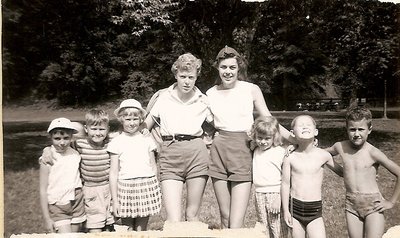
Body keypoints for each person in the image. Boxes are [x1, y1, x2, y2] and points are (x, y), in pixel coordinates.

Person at [206, 46, 293, 229]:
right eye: (223, 67)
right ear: (217, 68)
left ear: (239, 68)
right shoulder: (210, 93)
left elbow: (269, 119)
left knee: (236, 220)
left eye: (232, 67)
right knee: (225, 215)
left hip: (243, 149)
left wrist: (297, 140)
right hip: (219, 150)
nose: (228, 72)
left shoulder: (251, 89)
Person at [144, 53, 213, 222]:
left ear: (197, 77)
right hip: (170, 153)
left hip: (197, 154)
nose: (187, 81)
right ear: (176, 75)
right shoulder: (163, 97)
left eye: (191, 77)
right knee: (173, 218)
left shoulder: (203, 100)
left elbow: (219, 125)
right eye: (183, 76)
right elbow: (145, 127)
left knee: (192, 214)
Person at [325, 106, 400, 238]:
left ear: (369, 130)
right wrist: (340, 171)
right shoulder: (340, 146)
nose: (357, 134)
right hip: (351, 204)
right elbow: (322, 154)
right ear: (347, 129)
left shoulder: (373, 153)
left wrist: (391, 202)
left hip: (373, 205)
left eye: (361, 129)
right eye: (352, 129)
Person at [40, 110, 115, 232]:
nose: (62, 142)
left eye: (101, 129)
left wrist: (143, 130)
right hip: (70, 199)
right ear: (87, 129)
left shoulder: (110, 144)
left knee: (104, 228)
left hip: (89, 197)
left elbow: (124, 136)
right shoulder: (78, 146)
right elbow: (60, 145)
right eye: (94, 129)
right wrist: (47, 149)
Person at [281, 115, 342, 238]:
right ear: (292, 133)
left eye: (308, 124)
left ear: (316, 132)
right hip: (294, 209)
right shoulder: (290, 157)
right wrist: (286, 211)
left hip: (314, 210)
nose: (305, 126)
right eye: (301, 125)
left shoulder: (323, 155)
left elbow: (343, 173)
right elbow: (285, 184)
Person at [108, 99, 161, 231]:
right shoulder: (116, 142)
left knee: (141, 228)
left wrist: (154, 184)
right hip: (125, 187)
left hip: (145, 185)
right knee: (127, 229)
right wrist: (115, 200)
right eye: (128, 119)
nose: (132, 123)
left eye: (135, 119)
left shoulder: (147, 139)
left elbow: (153, 166)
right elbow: (114, 172)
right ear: (121, 120)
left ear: (140, 119)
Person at [39, 117, 86, 233]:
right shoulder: (47, 158)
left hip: (77, 201)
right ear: (50, 137)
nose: (62, 142)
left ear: (71, 137)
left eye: (66, 138)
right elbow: (42, 190)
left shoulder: (76, 153)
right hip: (58, 204)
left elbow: (82, 130)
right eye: (57, 138)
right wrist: (46, 218)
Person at [251, 116, 289, 238]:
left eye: (267, 138)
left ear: (275, 137)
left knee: (277, 227)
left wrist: (279, 199)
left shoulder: (280, 152)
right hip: (259, 194)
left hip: (275, 193)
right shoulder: (255, 150)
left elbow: (287, 178)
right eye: (259, 138)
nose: (263, 142)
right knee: (263, 227)